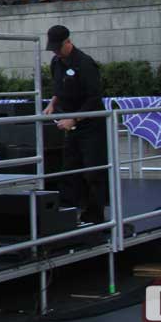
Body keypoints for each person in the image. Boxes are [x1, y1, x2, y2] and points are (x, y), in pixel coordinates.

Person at [44, 25, 106, 225]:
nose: (56, 53)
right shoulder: (56, 62)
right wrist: (53, 104)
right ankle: (69, 211)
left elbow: (94, 98)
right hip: (71, 125)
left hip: (91, 126)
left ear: (68, 42)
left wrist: (75, 118)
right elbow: (59, 88)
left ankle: (95, 214)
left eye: (58, 48)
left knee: (93, 171)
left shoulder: (84, 63)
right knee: (70, 168)